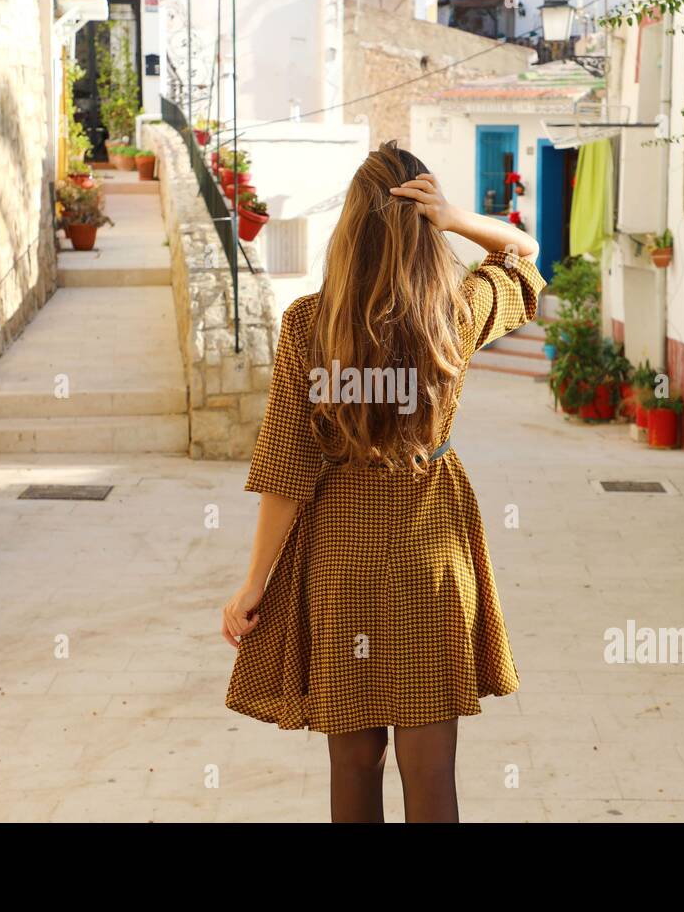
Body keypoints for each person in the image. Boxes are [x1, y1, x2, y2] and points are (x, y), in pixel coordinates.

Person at [221, 140, 544, 822]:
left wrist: (253, 586)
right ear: (424, 229)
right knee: (431, 772)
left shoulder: (308, 322)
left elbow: (288, 469)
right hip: (433, 545)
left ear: (349, 226)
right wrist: (456, 217)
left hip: (342, 553)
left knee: (353, 763)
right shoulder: (453, 312)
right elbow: (524, 251)